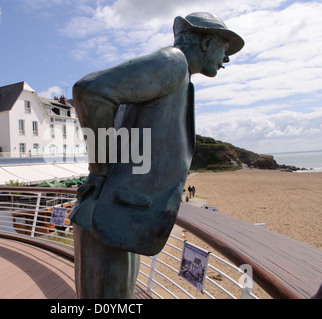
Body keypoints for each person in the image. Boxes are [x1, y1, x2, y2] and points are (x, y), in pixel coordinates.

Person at [71, 12, 244, 299]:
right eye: (224, 48)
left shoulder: (178, 76)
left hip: (120, 216)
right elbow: (90, 91)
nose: (226, 58)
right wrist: (99, 170)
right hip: (109, 216)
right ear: (208, 41)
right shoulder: (173, 63)